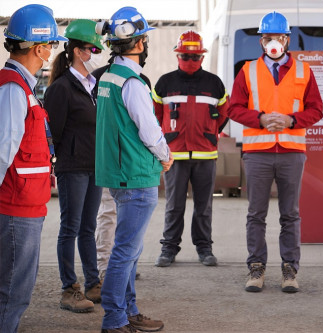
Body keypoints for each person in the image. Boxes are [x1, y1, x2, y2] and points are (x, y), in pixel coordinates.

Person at [227, 11, 323, 293]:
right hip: (258, 152)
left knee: (290, 214)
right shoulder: (247, 70)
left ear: (287, 39)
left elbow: (316, 110)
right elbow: (233, 108)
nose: (272, 42)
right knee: (256, 213)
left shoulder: (304, 71)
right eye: (266, 37)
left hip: (292, 151)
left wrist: (293, 120)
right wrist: (260, 119)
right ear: (261, 40)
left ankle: (290, 270)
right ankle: (256, 268)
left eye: (277, 37)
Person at [94, 7, 173, 333]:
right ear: (139, 43)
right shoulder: (133, 82)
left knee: (128, 250)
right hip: (137, 174)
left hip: (118, 174)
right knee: (125, 252)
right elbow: (149, 131)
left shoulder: (109, 76)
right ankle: (115, 318)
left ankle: (128, 311)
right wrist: (166, 156)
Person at [0, 5, 67, 332]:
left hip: (25, 204)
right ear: (39, 48)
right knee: (12, 292)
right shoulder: (14, 88)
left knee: (13, 289)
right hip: (15, 208)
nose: (52, 52)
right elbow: (2, 151)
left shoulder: (20, 86)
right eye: (51, 45)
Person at [153, 30, 229, 268]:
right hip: (174, 155)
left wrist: (207, 133)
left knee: (203, 206)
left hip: (205, 155)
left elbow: (223, 115)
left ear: (202, 58)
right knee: (174, 205)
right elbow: (156, 116)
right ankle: (169, 249)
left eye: (195, 57)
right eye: (186, 56)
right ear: (178, 55)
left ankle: (204, 249)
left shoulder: (214, 83)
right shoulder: (165, 83)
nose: (190, 61)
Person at [44, 19, 104, 314]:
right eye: (93, 47)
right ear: (79, 52)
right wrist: (55, 165)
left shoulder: (92, 86)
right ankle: (70, 289)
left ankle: (93, 284)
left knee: (87, 227)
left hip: (94, 166)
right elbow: (51, 133)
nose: (95, 52)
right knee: (70, 228)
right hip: (72, 168)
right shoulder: (61, 88)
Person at [93, 63, 152, 281]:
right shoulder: (101, 77)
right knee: (110, 214)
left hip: (125, 161)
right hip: (115, 161)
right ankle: (107, 268)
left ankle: (121, 266)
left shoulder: (140, 80)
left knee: (128, 220)